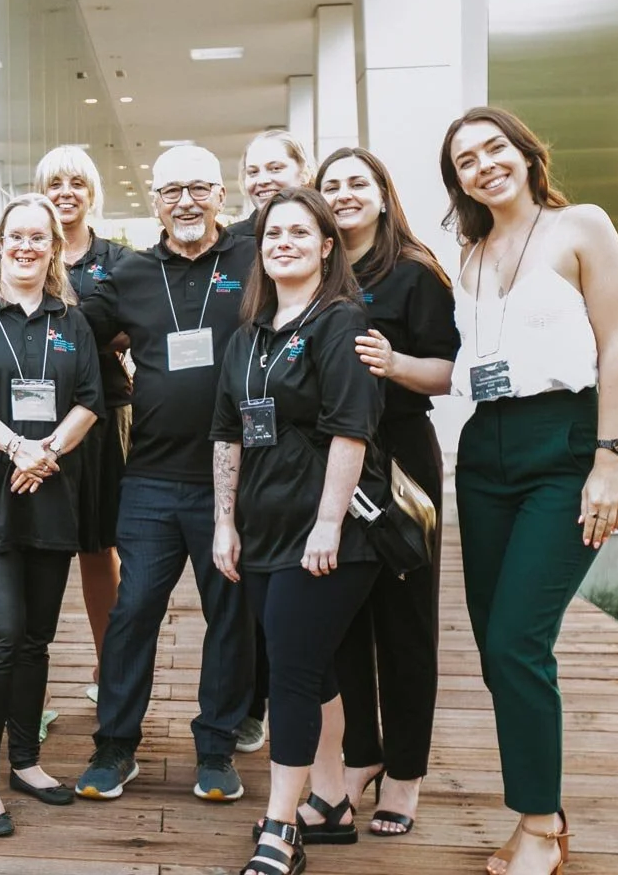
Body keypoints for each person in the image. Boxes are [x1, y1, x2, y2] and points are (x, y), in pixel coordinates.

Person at [443, 107, 618, 875]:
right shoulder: (472, 251)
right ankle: (540, 813)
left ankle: (540, 828)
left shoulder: (580, 226)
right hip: (483, 451)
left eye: (494, 148)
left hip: (562, 447)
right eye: (465, 160)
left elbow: (617, 342)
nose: (484, 164)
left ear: (524, 152)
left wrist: (610, 459)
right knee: (496, 649)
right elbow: (470, 362)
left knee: (519, 641)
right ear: (458, 181)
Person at [73, 144, 257, 803]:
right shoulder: (127, 272)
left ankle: (216, 748)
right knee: (133, 613)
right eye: (171, 190)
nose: (186, 201)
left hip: (234, 480)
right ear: (154, 200)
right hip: (149, 476)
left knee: (230, 617)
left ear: (220, 196)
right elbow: (70, 330)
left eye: (199, 188)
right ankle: (115, 747)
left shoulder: (251, 258)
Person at [210, 187, 384, 875]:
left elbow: (351, 430)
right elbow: (228, 431)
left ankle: (282, 826)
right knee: (313, 668)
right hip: (262, 529)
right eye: (271, 233)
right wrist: (224, 522)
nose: (282, 241)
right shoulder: (247, 336)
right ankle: (333, 800)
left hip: (328, 534)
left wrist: (327, 525)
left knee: (290, 671)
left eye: (297, 232)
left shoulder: (341, 323)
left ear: (324, 246)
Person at [0, 193, 104, 836]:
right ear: (0, 245)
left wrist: (48, 451)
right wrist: (18, 447)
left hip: (52, 493)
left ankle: (27, 763)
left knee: (35, 638)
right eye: (17, 237)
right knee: (1, 636)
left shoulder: (74, 319)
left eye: (40, 237)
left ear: (54, 248)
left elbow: (90, 397)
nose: (28, 246)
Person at [317, 147, 458, 837]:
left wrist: (396, 362)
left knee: (404, 623)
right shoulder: (317, 269)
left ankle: (404, 772)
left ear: (381, 193)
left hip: (399, 463)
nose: (343, 194)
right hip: (327, 462)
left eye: (355, 184)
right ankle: (361, 754)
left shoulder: (415, 272)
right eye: (331, 185)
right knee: (340, 616)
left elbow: (448, 371)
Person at [227, 126, 318, 753]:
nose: (263, 179)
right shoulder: (235, 244)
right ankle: (251, 703)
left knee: (308, 631)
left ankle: (338, 763)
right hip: (253, 449)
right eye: (253, 170)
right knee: (259, 602)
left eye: (275, 166)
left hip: (318, 468)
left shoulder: (331, 300)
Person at [37, 144, 130, 708]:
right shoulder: (22, 249)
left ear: (91, 192)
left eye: (75, 182)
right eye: (54, 183)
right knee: (37, 551)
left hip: (103, 415)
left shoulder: (118, 260)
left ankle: (108, 669)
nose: (65, 192)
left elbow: (133, 325)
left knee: (99, 548)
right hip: (32, 420)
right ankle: (28, 682)